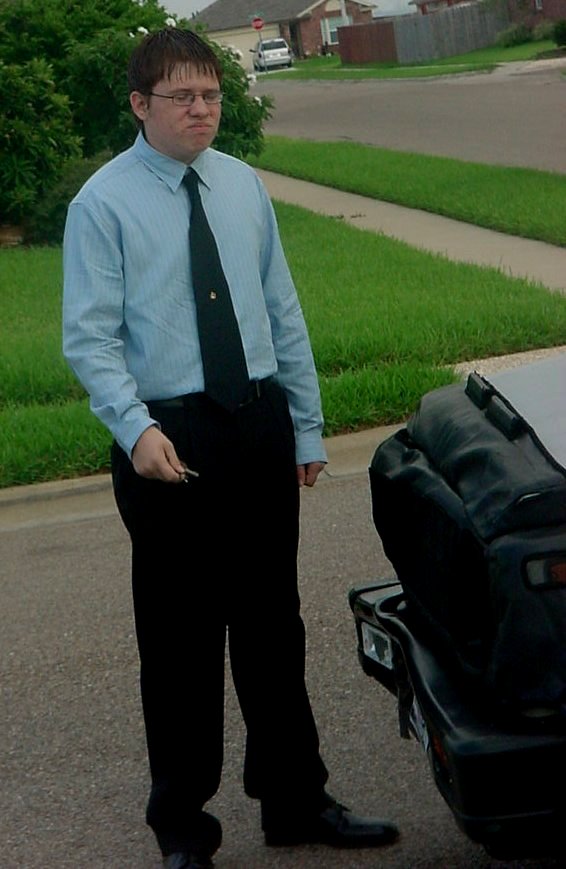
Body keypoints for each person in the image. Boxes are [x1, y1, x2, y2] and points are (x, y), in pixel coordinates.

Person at [62, 27, 399, 869]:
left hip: (257, 426)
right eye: (182, 97)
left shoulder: (243, 185)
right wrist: (135, 428)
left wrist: (305, 425)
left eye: (211, 94)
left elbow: (281, 310)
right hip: (168, 438)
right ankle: (184, 828)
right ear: (140, 105)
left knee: (272, 626)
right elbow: (90, 339)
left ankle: (295, 798)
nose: (201, 110)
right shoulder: (102, 204)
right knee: (180, 642)